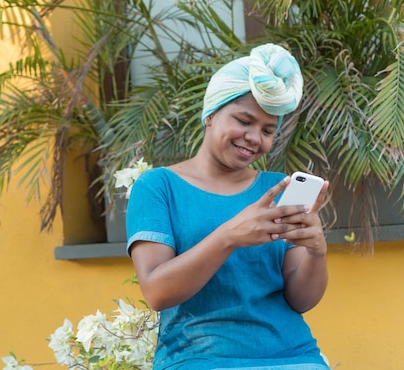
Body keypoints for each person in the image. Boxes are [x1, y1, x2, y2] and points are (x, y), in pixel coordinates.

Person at [126, 44, 330, 370]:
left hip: (293, 356)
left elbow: (301, 300)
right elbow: (157, 292)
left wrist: (316, 251)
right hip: (197, 358)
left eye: (267, 130)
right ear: (210, 113)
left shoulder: (279, 189)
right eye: (243, 120)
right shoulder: (157, 187)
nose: (254, 138)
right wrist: (231, 235)